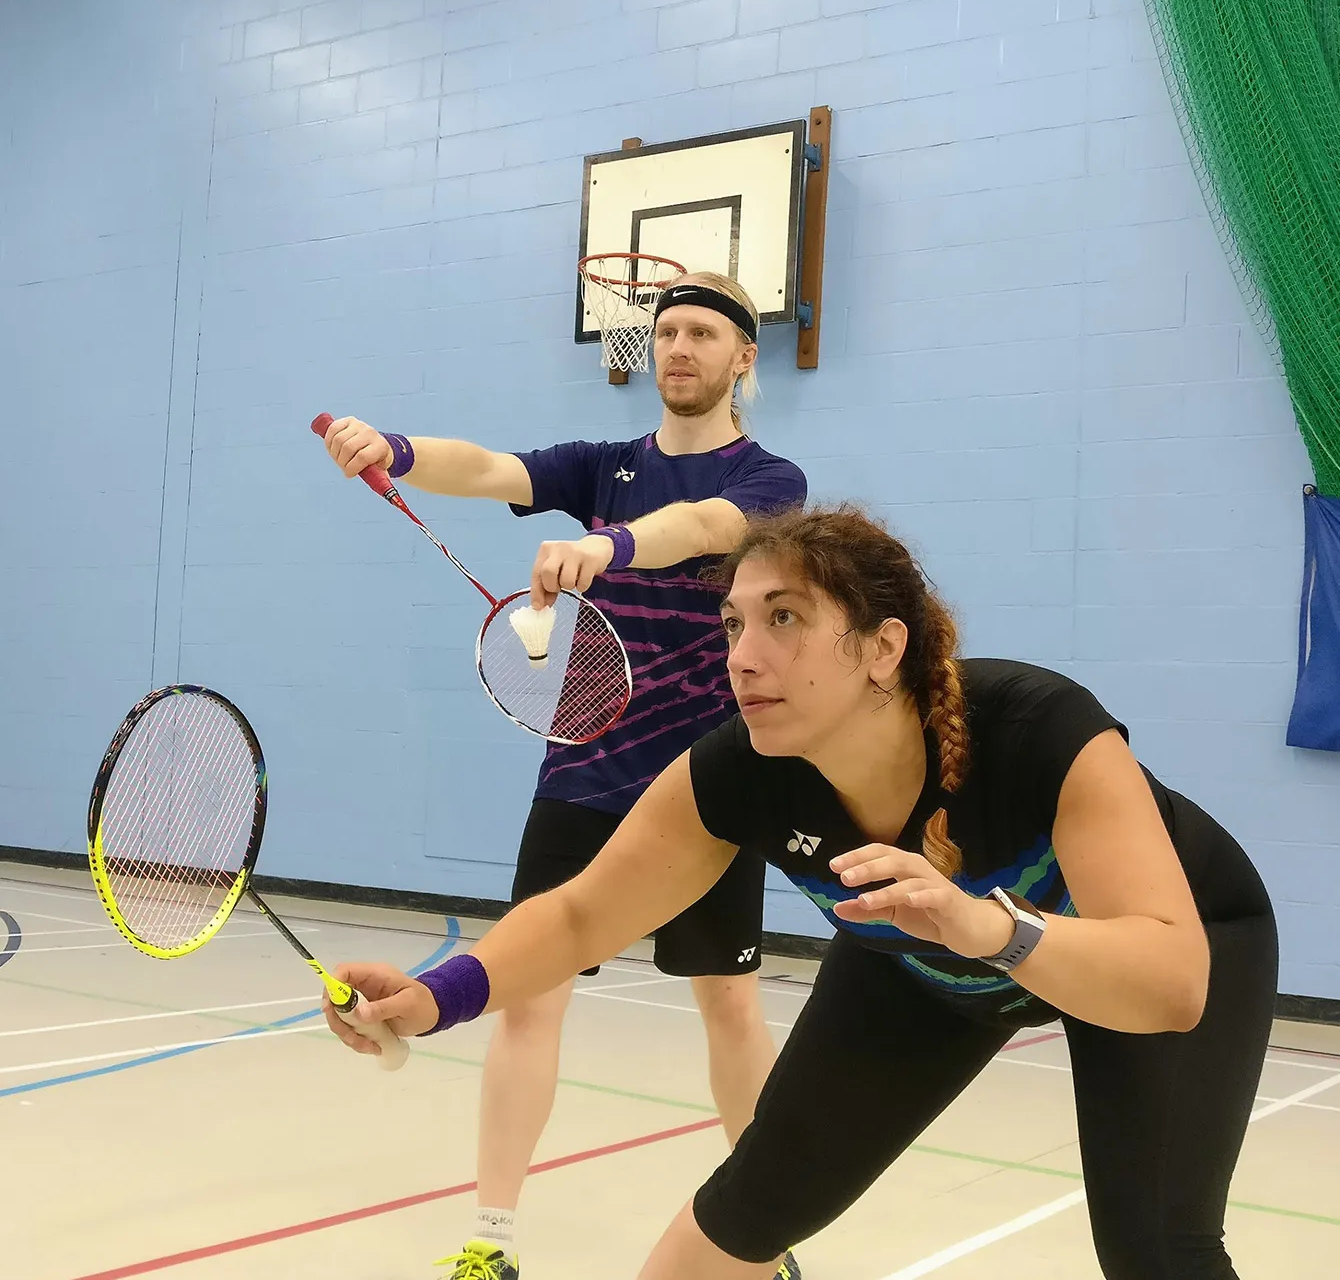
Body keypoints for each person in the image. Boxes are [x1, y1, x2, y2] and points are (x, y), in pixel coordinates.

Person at [323, 503, 1279, 1280]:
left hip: (1170, 944)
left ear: (883, 647)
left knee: (1157, 1253)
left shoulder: (1040, 730)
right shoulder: (738, 770)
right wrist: (439, 996)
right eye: (734, 624)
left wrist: (987, 928)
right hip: (923, 971)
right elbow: (579, 914)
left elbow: (1171, 983)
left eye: (783, 619)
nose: (742, 654)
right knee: (750, 1208)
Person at [320, 272, 807, 1280]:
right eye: (666, 332)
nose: (679, 347)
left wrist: (609, 544)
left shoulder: (770, 479)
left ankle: (766, 1237)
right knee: (530, 998)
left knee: (728, 1004)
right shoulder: (601, 465)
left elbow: (706, 527)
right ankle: (490, 1238)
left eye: (702, 333)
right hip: (583, 771)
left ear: (742, 356)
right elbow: (487, 466)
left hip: (710, 785)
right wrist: (395, 449)